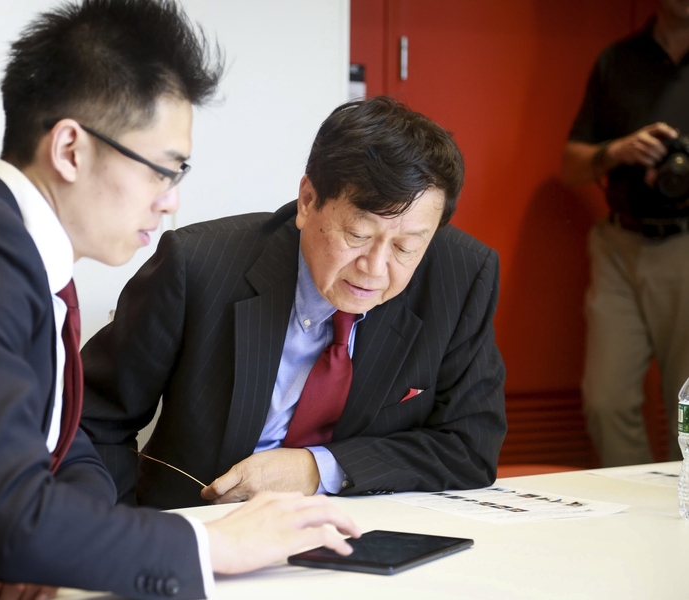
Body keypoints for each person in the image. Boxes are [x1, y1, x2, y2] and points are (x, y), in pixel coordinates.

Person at [0, 1, 361, 598]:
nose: (170, 200)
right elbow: (12, 522)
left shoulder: (16, 253)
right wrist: (214, 543)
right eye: (162, 170)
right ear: (70, 149)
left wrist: (54, 546)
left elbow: (67, 448)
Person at [81, 95, 507, 510]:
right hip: (201, 526)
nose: (375, 269)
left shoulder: (461, 277)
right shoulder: (198, 268)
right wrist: (122, 532)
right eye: (357, 235)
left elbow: (470, 447)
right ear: (307, 201)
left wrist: (318, 469)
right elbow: (93, 420)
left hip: (360, 527)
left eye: (406, 247)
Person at [561, 0, 689, 467]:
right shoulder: (618, 60)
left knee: (686, 407)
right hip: (619, 245)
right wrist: (617, 151)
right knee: (606, 402)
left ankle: (684, 505)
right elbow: (571, 165)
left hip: (685, 246)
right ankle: (637, 502)